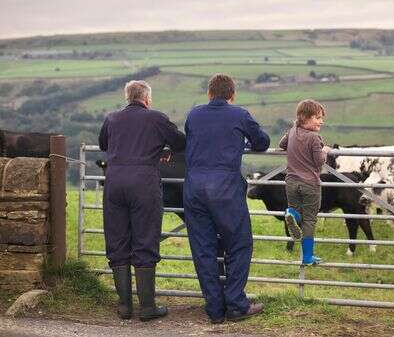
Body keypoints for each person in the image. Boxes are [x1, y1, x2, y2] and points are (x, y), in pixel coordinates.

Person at [183, 73, 270, 324]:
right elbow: (262, 142)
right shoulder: (239, 114)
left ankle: (214, 309)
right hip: (225, 189)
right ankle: (235, 304)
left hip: (194, 187)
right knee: (240, 244)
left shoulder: (194, 114)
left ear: (209, 94)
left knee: (203, 249)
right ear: (232, 95)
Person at [98, 80, 185, 321]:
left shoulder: (112, 118)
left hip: (114, 182)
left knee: (117, 241)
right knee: (145, 239)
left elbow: (104, 145)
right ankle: (147, 307)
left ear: (127, 98)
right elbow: (180, 142)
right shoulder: (156, 118)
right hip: (143, 183)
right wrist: (161, 150)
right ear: (147, 99)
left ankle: (124, 306)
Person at [278, 99, 331, 265]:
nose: (321, 121)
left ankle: (291, 213)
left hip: (291, 182)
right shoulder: (314, 138)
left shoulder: (293, 130)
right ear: (305, 117)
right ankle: (307, 257)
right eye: (317, 117)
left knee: (297, 212)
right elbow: (319, 162)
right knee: (309, 220)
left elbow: (281, 144)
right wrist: (325, 150)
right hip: (310, 184)